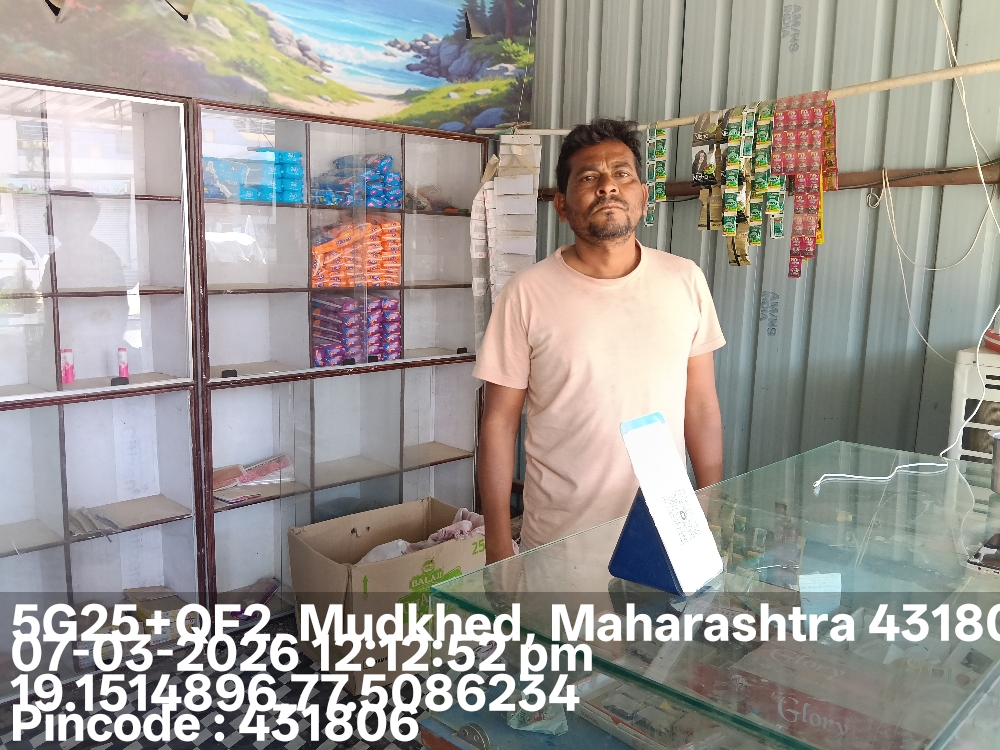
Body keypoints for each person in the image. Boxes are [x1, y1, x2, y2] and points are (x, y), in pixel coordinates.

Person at [474, 118, 726, 564]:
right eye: (588, 177)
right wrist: (497, 543)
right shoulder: (526, 295)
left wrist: (713, 509)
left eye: (622, 174)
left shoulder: (684, 280)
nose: (608, 186)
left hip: (667, 530)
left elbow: (701, 405)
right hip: (560, 540)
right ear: (562, 205)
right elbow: (499, 423)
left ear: (642, 197)